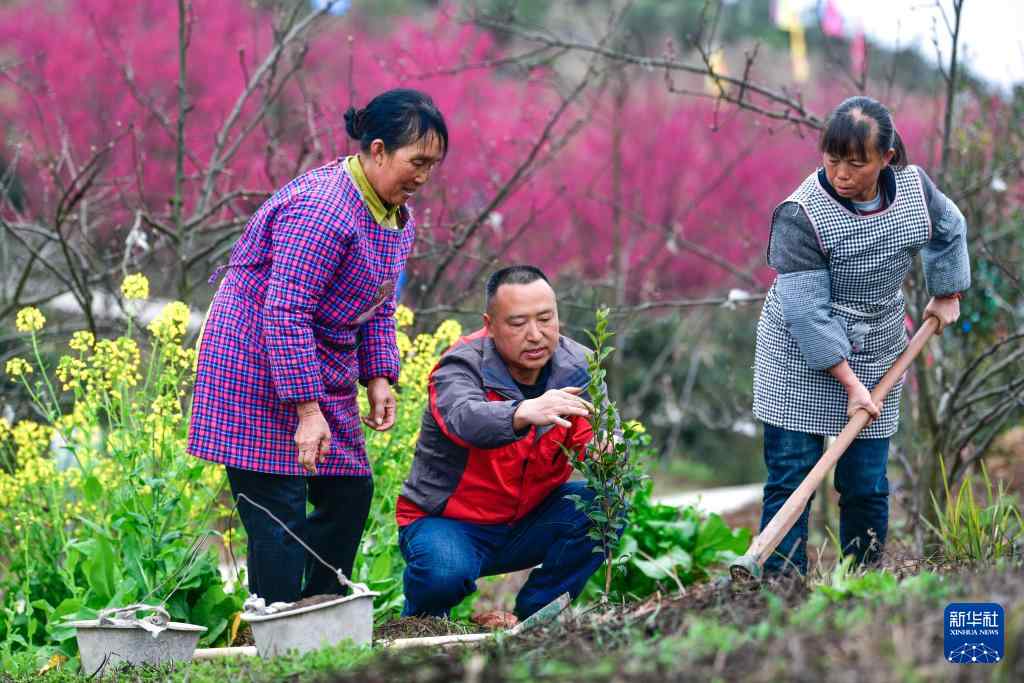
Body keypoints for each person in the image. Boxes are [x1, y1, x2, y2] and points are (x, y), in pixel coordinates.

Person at [188, 89, 447, 603]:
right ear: (377, 150)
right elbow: (284, 310)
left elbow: (376, 302)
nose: (423, 176)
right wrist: (308, 410)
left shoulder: (395, 215)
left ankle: (322, 611)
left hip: (313, 358)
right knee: (278, 515)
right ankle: (276, 633)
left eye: (432, 165)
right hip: (252, 362)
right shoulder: (323, 209)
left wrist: (377, 376)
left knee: (349, 488)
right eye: (416, 162)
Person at [752, 95, 971, 575]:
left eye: (857, 163)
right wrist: (850, 385)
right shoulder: (800, 214)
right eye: (832, 160)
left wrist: (947, 290)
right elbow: (806, 314)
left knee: (867, 483)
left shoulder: (915, 191)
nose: (841, 174)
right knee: (792, 476)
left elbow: (950, 228)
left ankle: (860, 582)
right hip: (796, 352)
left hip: (878, 348)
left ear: (886, 158)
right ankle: (779, 593)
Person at [395, 266, 604, 625]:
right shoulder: (459, 366)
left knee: (603, 504)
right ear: (490, 325)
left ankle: (533, 619)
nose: (535, 335)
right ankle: (420, 626)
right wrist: (524, 411)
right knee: (442, 573)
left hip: (526, 522)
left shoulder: (579, 366)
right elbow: (465, 419)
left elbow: (587, 435)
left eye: (545, 319)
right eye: (518, 323)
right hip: (449, 523)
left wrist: (605, 448)